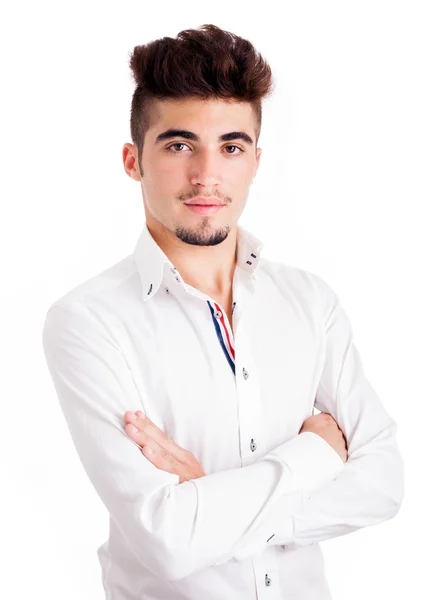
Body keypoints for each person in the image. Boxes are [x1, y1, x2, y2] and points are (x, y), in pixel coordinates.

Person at [41, 23, 404, 600]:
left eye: (231, 147)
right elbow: (168, 541)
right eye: (180, 145)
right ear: (133, 160)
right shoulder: (88, 322)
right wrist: (313, 456)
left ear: (256, 161)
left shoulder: (311, 303)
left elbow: (383, 482)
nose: (206, 175)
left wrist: (213, 500)